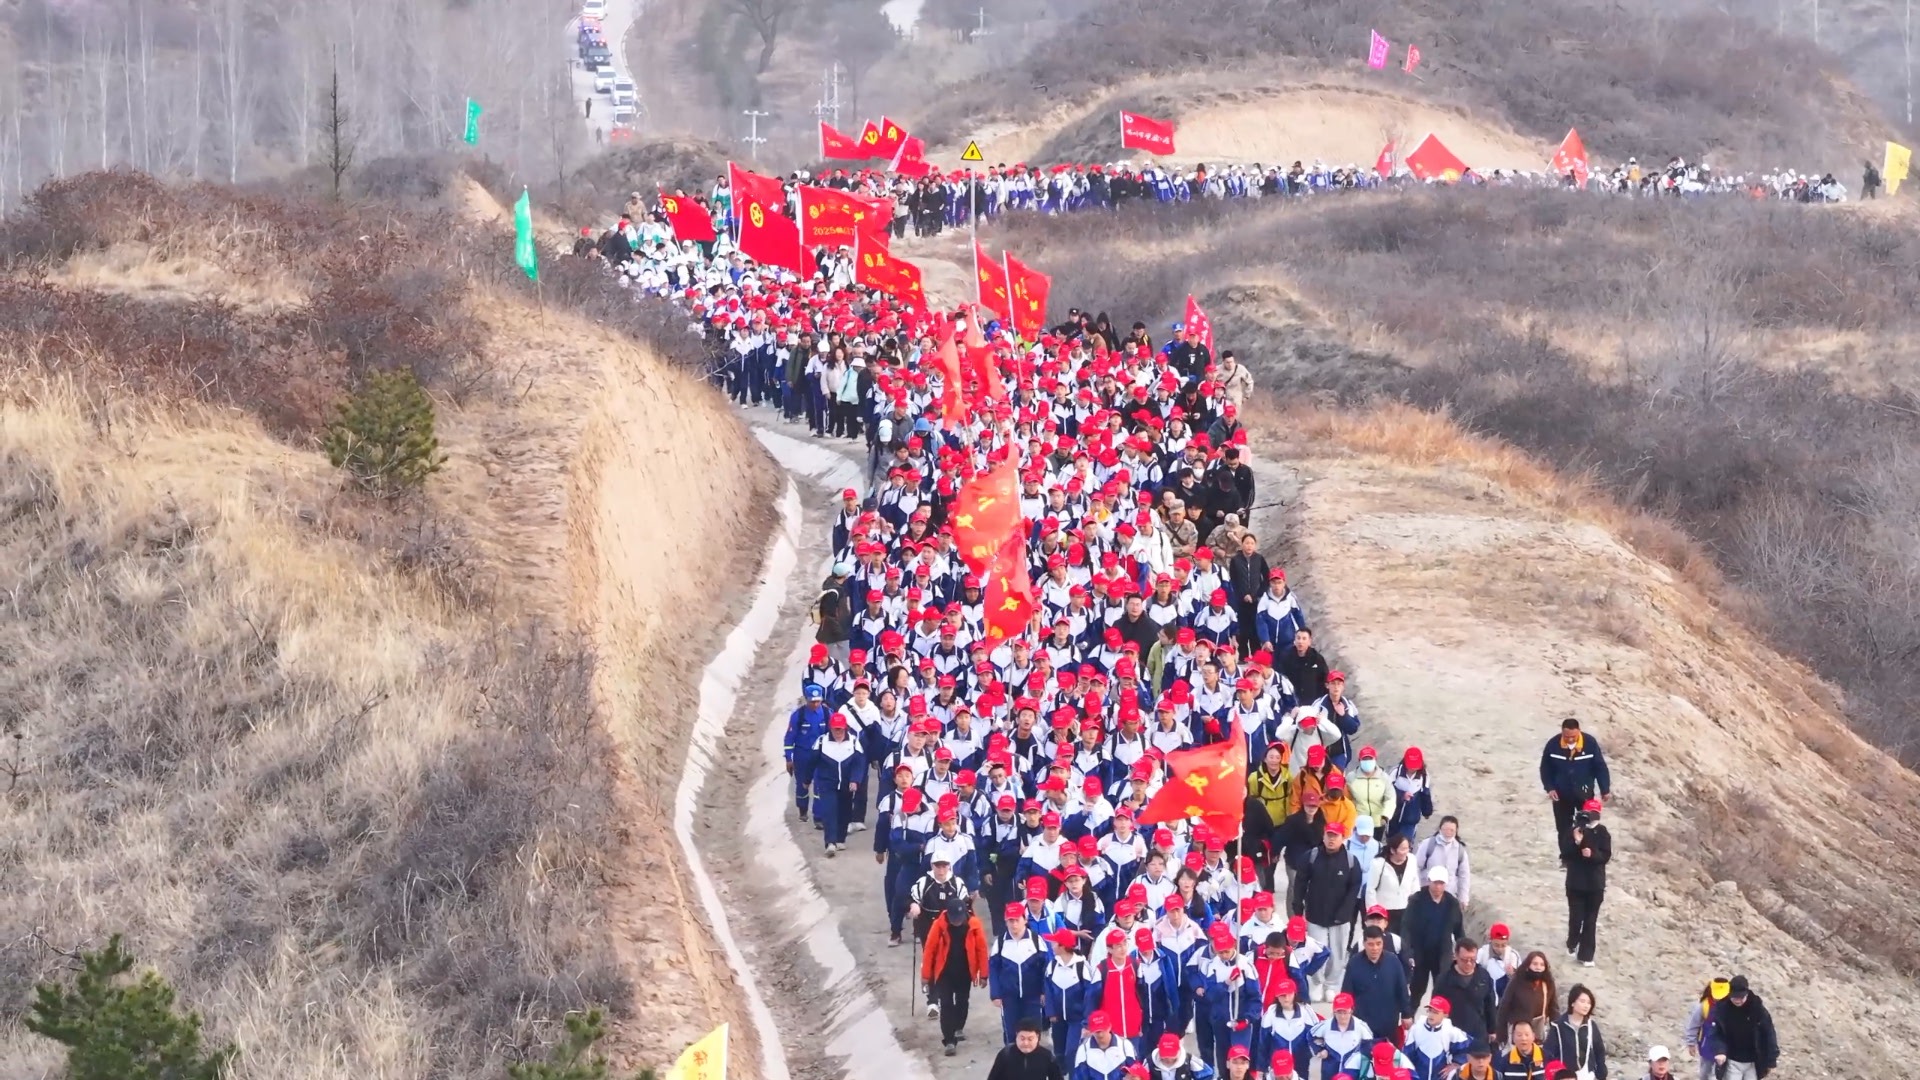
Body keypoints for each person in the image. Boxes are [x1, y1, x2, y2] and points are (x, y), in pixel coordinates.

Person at [1298, 822, 1364, 1001]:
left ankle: (1331, 985)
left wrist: (1345, 912)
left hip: (1340, 918)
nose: (1331, 839)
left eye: (1335, 836)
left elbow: (1354, 887)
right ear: (1324, 836)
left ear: (1343, 838)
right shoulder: (1311, 857)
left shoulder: (1350, 861)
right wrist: (1298, 908)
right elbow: (1300, 883)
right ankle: (1317, 984)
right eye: (1329, 835)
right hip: (1315, 914)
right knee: (1316, 952)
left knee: (1338, 953)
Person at [923, 895, 990, 1054]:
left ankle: (958, 1027)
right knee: (946, 1004)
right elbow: (929, 951)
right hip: (944, 972)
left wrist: (984, 975)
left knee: (962, 1000)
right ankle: (949, 1040)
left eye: (959, 919)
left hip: (965, 971)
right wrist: (925, 976)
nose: (957, 922)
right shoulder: (938, 925)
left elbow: (982, 949)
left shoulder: (974, 925)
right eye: (954, 919)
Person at [1538, 719, 1610, 861]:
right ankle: (1566, 857)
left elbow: (1600, 767)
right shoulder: (1553, 745)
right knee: (1563, 827)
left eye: (1573, 736)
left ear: (1579, 731)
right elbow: (1545, 768)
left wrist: (1604, 789)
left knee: (1587, 824)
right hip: (1561, 793)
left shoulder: (1590, 743)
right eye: (1567, 736)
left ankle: (1587, 853)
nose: (1570, 739)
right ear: (1562, 732)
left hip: (1584, 792)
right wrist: (1550, 788)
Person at [1339, 927, 1410, 1050]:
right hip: (1362, 1026)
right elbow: (1347, 994)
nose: (1375, 948)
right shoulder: (1354, 963)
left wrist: (1407, 1014)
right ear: (1364, 944)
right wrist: (1344, 1016)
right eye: (1370, 944)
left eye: (1378, 943)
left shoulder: (1393, 961)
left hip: (1389, 1025)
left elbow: (1402, 989)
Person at [1402, 865, 1464, 1002]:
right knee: (1416, 990)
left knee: (1441, 991)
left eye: (1441, 883)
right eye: (1435, 882)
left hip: (1442, 954)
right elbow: (1406, 927)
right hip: (1420, 952)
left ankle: (1437, 1020)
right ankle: (1410, 1019)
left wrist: (1460, 953)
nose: (1438, 887)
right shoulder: (1416, 900)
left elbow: (1459, 930)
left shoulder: (1452, 903)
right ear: (1429, 881)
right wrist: (1408, 951)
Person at [993, 904, 1052, 1044]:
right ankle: (1011, 1060)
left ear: (1025, 920)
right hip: (1009, 996)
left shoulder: (1036, 941)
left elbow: (1046, 968)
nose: (1013, 924)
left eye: (1017, 920)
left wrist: (1045, 991)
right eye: (1010, 921)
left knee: (1033, 1030)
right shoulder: (1000, 942)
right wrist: (995, 994)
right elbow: (994, 968)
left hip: (1033, 995)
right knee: (1011, 1031)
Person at [1563, 799, 1610, 967]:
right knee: (1576, 918)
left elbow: (1605, 856)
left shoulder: (1603, 832)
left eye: (1594, 813)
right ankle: (1572, 942)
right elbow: (1566, 854)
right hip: (1576, 883)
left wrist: (1593, 854)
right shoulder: (1574, 830)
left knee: (1590, 921)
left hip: (1595, 884)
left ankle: (1587, 955)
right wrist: (1577, 841)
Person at [811, 712, 867, 853]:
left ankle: (840, 839)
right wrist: (806, 780)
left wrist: (855, 780)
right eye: (835, 729)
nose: (838, 732)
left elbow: (859, 763)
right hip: (827, 783)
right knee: (829, 811)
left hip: (847, 785)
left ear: (845, 728)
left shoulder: (854, 742)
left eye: (840, 729)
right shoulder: (822, 741)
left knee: (845, 811)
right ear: (830, 728)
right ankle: (830, 842)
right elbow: (811, 761)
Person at [1704, 976, 1777, 1080]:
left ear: (1747, 993)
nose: (1738, 1001)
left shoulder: (1757, 1009)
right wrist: (1720, 1051)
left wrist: (1771, 1060)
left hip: (1754, 1062)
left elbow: (1769, 1033)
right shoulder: (1722, 1009)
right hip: (1732, 1060)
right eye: (1734, 997)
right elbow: (1715, 1033)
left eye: (1741, 998)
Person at [1431, 940, 1498, 1049]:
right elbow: (1435, 1007)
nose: (1469, 964)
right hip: (1452, 1035)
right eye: (1464, 960)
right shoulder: (1444, 980)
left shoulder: (1484, 976)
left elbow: (1490, 1004)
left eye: (1472, 960)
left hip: (1478, 1035)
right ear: (1456, 956)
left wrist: (1493, 1030)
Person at [1543, 984, 1608, 1080]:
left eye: (1589, 1003)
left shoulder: (1591, 1025)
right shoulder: (1558, 1026)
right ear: (1572, 1003)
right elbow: (1548, 1052)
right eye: (1582, 1001)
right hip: (1565, 1076)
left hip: (1587, 1075)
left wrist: (1601, 1071)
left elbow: (1599, 1050)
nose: (1586, 1006)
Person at [1495, 951, 1559, 1044]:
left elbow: (1554, 1009)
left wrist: (1557, 1032)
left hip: (1537, 1035)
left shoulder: (1548, 983)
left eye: (1542, 965)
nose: (1538, 967)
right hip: (1518, 1034)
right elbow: (1504, 1007)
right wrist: (1501, 1035)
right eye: (1535, 964)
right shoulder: (1517, 981)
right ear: (1528, 965)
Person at [1404, 997, 1473, 1080]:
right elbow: (1406, 1055)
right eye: (1430, 1011)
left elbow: (1467, 1048)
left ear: (1445, 1015)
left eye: (1436, 1012)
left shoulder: (1451, 1031)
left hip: (1440, 1077)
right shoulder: (1416, 1029)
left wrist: (1456, 1064)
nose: (1431, 1015)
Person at [1227, 533, 1272, 655]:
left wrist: (1256, 595)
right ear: (1242, 544)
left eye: (1252, 543)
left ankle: (1256, 653)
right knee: (1242, 627)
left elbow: (1267, 578)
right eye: (1246, 543)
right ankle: (1243, 654)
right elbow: (1234, 581)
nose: (1249, 546)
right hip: (1241, 600)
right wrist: (1243, 595)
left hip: (1256, 600)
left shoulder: (1259, 559)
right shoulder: (1235, 560)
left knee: (1255, 627)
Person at [1368, 834, 1420, 936]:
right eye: (1402, 849)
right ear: (1393, 850)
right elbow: (1371, 889)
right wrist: (1373, 913)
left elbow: (1414, 881)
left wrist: (1416, 903)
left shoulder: (1412, 859)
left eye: (1407, 848)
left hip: (1405, 908)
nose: (1406, 852)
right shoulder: (1378, 863)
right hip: (1384, 910)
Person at [1414, 817, 1472, 907]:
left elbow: (1464, 875)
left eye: (1452, 830)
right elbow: (1416, 867)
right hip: (1427, 892)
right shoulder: (1428, 844)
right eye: (1445, 829)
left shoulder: (1460, 850)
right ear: (1440, 829)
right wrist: (1415, 889)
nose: (1448, 833)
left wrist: (1463, 898)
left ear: (1456, 831)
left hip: (1449, 894)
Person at [1680, 980, 1730, 1080]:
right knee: (1704, 1073)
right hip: (1707, 1045)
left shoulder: (1732, 1006)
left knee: (1723, 1074)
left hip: (1725, 1046)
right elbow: (1694, 1024)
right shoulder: (1704, 1006)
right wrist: (1691, 1043)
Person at [990, 1019, 1068, 1080]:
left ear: (1037, 1037)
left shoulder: (1047, 1057)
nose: (1026, 1043)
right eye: (1022, 1038)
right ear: (1016, 1036)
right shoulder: (1005, 1054)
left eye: (1030, 1039)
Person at [1072, 1010, 1138, 1080]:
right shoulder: (1083, 1050)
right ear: (1091, 1030)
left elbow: (1136, 1074)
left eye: (1103, 1030)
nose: (1100, 1035)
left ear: (1109, 1027)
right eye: (1097, 1031)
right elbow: (1079, 1076)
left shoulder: (1125, 1045)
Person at [815, 562, 855, 664]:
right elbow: (829, 615)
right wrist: (840, 631)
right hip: (835, 632)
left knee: (837, 658)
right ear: (844, 575)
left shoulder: (831, 587)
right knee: (842, 659)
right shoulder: (834, 593)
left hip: (833, 631)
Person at [1145, 1031, 1215, 1080]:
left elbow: (1207, 1074)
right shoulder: (1149, 1061)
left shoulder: (1189, 1060)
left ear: (1179, 1050)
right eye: (1165, 1056)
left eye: (1172, 1056)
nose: (1169, 1059)